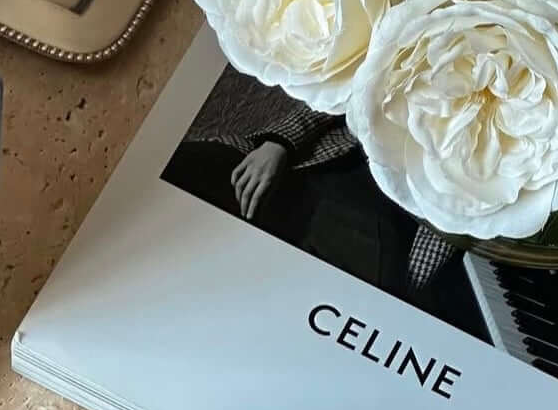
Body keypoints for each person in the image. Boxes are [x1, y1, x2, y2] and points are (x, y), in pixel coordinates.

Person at [163, 79, 461, 308]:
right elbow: (342, 97)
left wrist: (409, 284)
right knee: (184, 173)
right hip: (312, 168)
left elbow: (465, 221)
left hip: (376, 223)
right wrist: (279, 144)